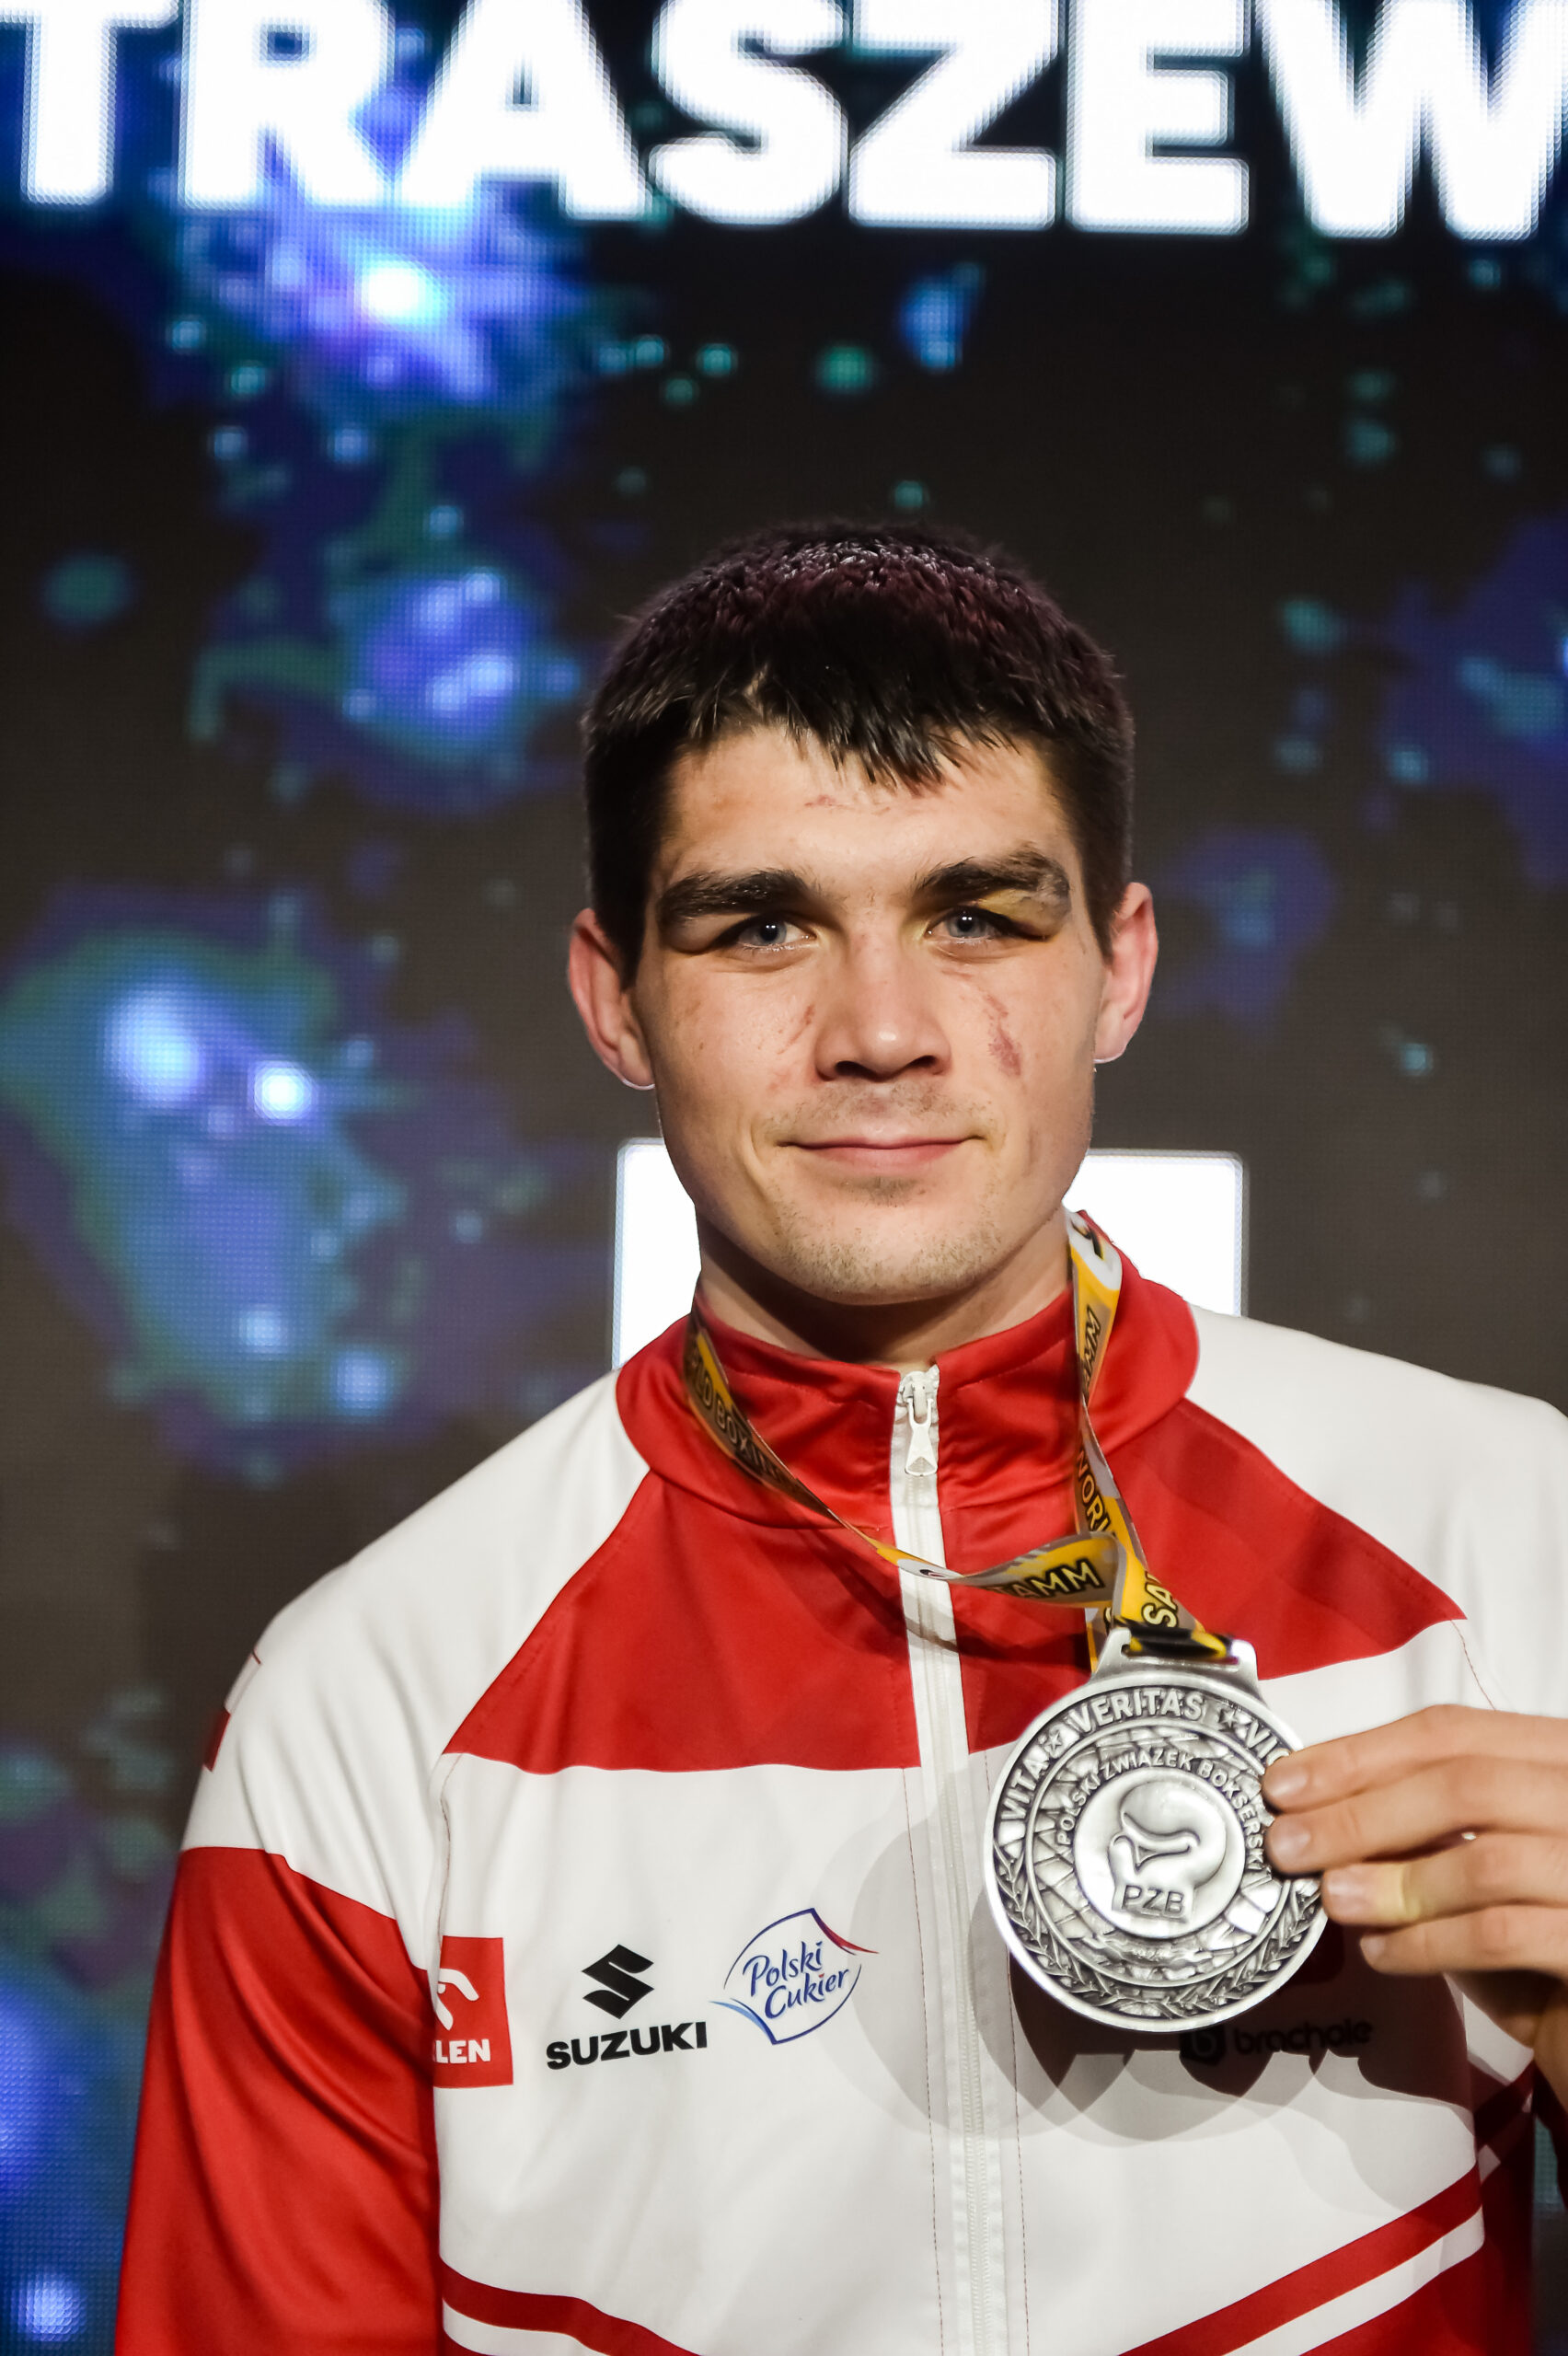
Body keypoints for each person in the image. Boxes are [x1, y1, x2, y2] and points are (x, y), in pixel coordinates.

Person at [117, 525, 1568, 2356]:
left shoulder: (1516, 1532)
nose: (881, 1032)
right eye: (762, 925)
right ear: (615, 998)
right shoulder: (370, 1703)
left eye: (978, 916)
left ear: (1119, 968)